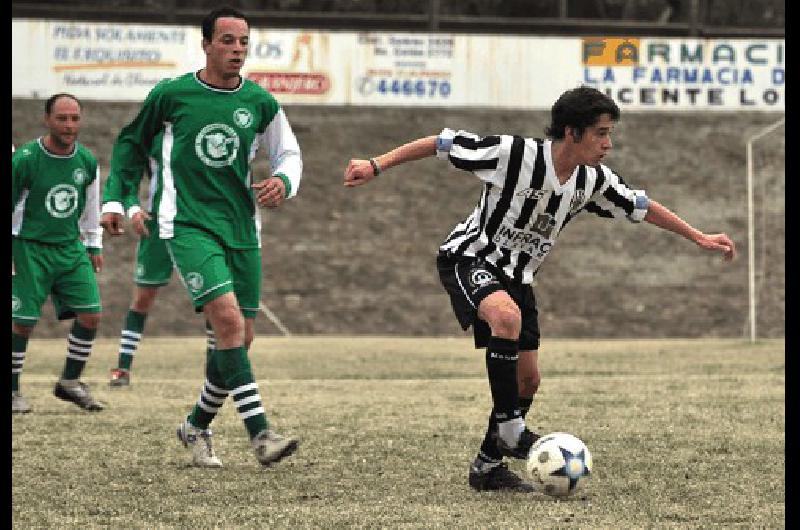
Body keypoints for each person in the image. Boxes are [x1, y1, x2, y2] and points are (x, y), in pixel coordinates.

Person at [343, 85, 736, 492]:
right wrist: (376, 164)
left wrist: (698, 237)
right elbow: (441, 142)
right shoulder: (513, 154)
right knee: (506, 317)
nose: (608, 144)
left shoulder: (593, 180)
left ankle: (488, 466)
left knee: (528, 382)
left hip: (519, 277)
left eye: (610, 134)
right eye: (601, 133)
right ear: (572, 132)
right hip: (469, 258)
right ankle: (512, 430)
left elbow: (640, 205)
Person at [101, 6, 302, 468]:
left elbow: (288, 152)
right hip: (185, 224)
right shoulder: (172, 95)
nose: (237, 50)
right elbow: (131, 143)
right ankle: (261, 435)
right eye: (228, 41)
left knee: (242, 338)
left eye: (243, 42)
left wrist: (284, 181)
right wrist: (117, 199)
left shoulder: (259, 102)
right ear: (207, 44)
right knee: (228, 325)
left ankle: (195, 426)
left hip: (241, 230)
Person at [12, 93, 106, 414]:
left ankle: (69, 383)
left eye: (75, 118)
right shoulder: (24, 159)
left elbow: (92, 204)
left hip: (69, 247)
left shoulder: (86, 161)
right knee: (22, 322)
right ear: (47, 120)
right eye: (62, 118)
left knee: (91, 314)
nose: (69, 125)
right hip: (28, 247)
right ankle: (12, 391)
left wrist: (94, 243)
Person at [103, 170, 216, 389]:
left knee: (213, 297)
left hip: (197, 222)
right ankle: (122, 369)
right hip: (156, 223)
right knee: (142, 299)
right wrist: (133, 208)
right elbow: (128, 172)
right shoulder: (152, 136)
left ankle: (214, 372)